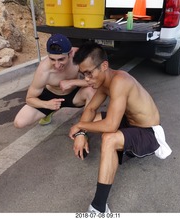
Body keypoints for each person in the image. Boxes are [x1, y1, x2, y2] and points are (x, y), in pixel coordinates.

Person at [69, 42, 172, 213]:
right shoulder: (103, 83)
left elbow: (111, 125)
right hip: (130, 122)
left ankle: (98, 208)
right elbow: (91, 109)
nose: (86, 79)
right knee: (93, 118)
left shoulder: (120, 81)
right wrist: (81, 133)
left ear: (104, 65)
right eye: (83, 74)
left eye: (89, 73)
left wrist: (80, 125)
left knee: (108, 138)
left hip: (149, 133)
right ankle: (94, 142)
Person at [14, 34, 96, 128]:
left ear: (70, 54)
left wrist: (73, 82)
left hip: (74, 94)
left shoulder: (79, 57)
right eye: (52, 59)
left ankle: (83, 127)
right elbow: (29, 99)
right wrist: (46, 104)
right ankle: (50, 111)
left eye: (61, 59)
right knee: (19, 122)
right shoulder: (44, 70)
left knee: (92, 90)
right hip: (51, 96)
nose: (57, 65)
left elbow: (97, 81)